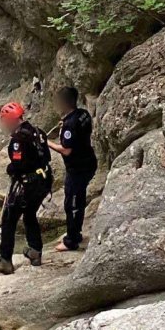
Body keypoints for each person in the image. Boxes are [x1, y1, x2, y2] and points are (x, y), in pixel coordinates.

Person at [0, 102, 52, 275]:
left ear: (8, 120)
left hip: (27, 185)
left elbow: (18, 165)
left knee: (8, 220)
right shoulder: (38, 132)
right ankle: (35, 251)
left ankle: (5, 260)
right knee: (30, 214)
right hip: (44, 181)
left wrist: (11, 169)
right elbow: (46, 156)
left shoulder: (18, 140)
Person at [49, 87, 98, 252]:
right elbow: (82, 129)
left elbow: (66, 150)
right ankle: (76, 233)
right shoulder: (83, 114)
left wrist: (46, 142)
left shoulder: (70, 124)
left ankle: (72, 240)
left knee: (72, 203)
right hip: (89, 161)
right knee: (79, 198)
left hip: (78, 167)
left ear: (63, 102)